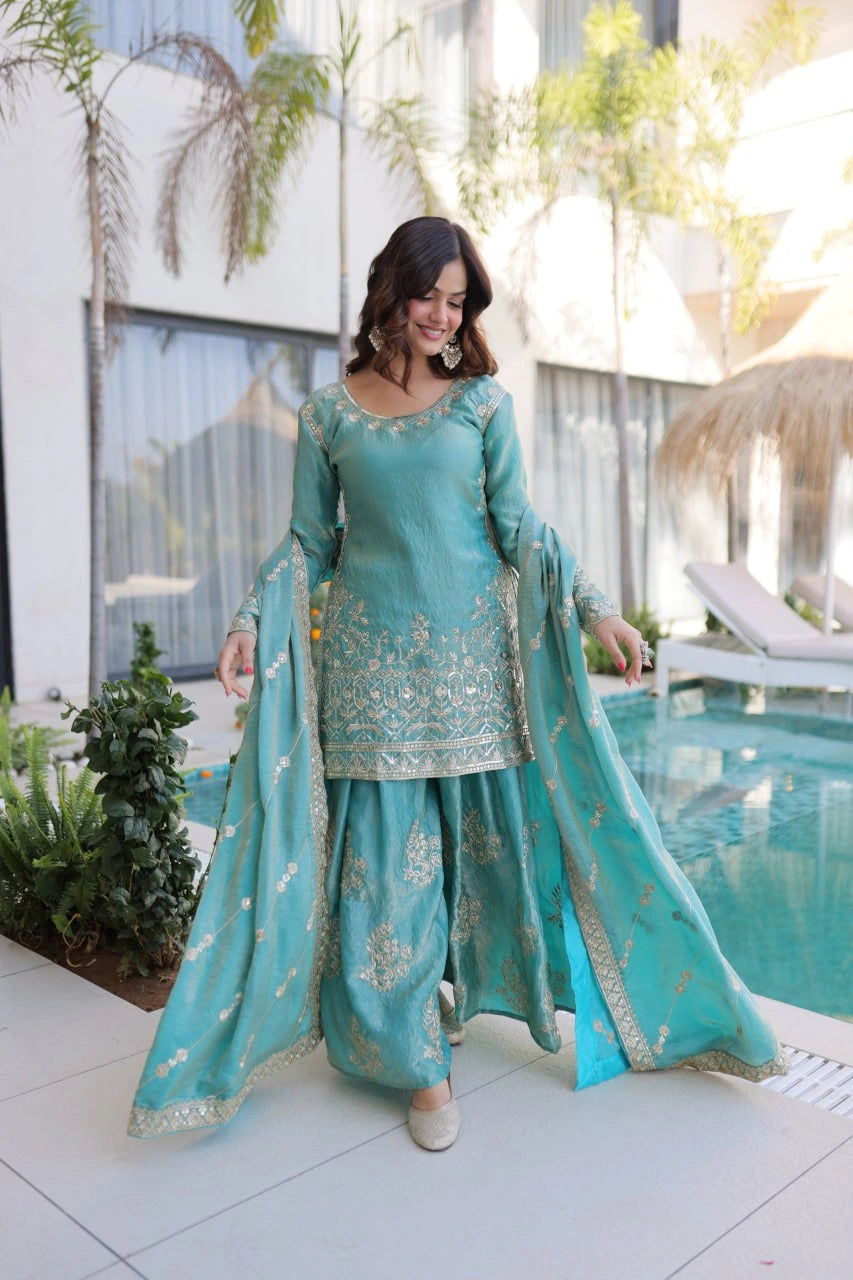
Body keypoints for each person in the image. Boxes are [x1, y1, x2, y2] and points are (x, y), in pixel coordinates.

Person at [127, 217, 785, 1149]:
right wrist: (245, 621)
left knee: (481, 858)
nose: (442, 315)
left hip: (476, 675)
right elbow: (310, 543)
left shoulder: (482, 405)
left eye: (457, 300)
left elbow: (519, 528)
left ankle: (463, 995)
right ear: (390, 292)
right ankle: (417, 1065)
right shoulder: (327, 415)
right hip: (371, 679)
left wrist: (595, 609)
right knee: (384, 878)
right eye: (428, 295)